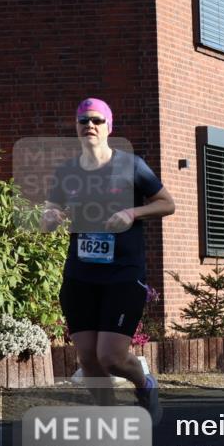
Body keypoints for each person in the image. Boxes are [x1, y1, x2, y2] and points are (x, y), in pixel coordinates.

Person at [44, 98, 176, 422]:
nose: (90, 125)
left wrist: (133, 212)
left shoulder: (131, 166)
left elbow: (167, 203)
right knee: (88, 358)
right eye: (83, 121)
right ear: (76, 128)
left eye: (97, 120)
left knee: (111, 358)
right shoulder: (67, 172)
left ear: (108, 127)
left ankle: (145, 384)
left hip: (123, 274)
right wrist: (52, 216)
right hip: (80, 274)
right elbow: (49, 216)